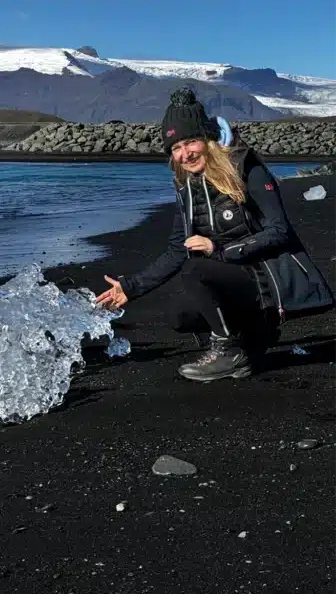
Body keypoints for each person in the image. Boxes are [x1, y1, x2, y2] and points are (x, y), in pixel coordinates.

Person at [96, 88, 333, 382]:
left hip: (265, 278)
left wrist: (218, 250)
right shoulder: (188, 188)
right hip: (232, 278)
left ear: (208, 139)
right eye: (176, 148)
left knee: (196, 269)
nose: (185, 154)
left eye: (190, 141)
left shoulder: (248, 170)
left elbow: (279, 232)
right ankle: (254, 335)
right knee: (179, 314)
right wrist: (131, 287)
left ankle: (229, 352)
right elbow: (176, 249)